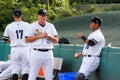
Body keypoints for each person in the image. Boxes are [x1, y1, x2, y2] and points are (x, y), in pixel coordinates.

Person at [25, 8, 58, 80]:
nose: (44, 17)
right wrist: (39, 36)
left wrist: (49, 35)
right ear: (38, 16)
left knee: (49, 75)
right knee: (32, 75)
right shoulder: (32, 26)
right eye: (42, 15)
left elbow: (56, 40)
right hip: (36, 52)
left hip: (48, 53)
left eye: (45, 15)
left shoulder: (50, 26)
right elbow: (26, 39)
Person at [2, 9, 30, 80]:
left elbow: (5, 38)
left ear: (13, 16)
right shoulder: (27, 25)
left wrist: (11, 41)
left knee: (15, 68)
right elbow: (32, 36)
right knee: (25, 68)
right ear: (21, 15)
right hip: (25, 48)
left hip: (15, 48)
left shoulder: (9, 26)